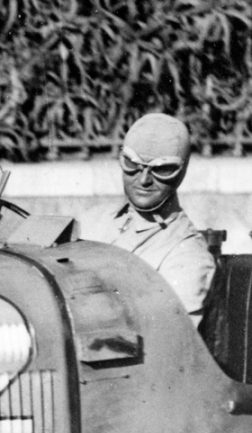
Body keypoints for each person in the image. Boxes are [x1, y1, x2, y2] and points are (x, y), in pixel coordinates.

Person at [83, 112, 215, 326]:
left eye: (162, 170)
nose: (143, 180)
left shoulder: (186, 256)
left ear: (181, 173)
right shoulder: (92, 220)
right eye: (132, 164)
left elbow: (169, 341)